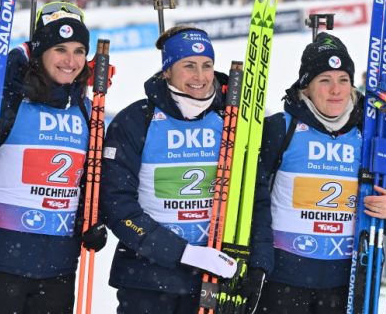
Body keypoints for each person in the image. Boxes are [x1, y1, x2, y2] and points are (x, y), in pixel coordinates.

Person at [0, 2, 108, 313]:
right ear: (39, 51)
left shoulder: (86, 109)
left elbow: (89, 183)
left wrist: (91, 221)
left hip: (59, 271)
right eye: (60, 49)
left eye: (79, 50)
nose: (71, 61)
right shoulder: (7, 100)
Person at [100, 26, 272, 313]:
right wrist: (184, 252)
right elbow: (117, 205)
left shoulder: (231, 121)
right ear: (166, 71)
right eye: (188, 66)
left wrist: (260, 263)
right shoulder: (135, 120)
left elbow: (256, 198)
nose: (201, 77)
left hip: (213, 278)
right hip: (146, 280)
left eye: (207, 65)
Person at [256, 32, 386, 313]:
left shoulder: (369, 134)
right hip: (284, 280)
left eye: (343, 80)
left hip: (346, 282)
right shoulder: (279, 129)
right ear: (306, 87)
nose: (335, 90)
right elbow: (253, 198)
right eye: (324, 80)